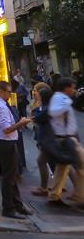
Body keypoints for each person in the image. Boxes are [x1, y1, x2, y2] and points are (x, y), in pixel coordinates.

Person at [0, 81, 33, 219]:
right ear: (1, 91)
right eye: (8, 91)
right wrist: (22, 123)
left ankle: (17, 206)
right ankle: (8, 208)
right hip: (5, 143)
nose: (10, 94)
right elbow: (7, 129)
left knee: (10, 176)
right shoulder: (0, 107)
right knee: (8, 178)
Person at [47, 77, 84, 208]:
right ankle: (80, 196)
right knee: (81, 166)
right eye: (72, 87)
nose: (74, 90)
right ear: (66, 88)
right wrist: (68, 102)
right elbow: (53, 112)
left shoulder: (60, 98)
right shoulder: (60, 98)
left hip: (68, 138)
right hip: (66, 139)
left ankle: (55, 196)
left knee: (62, 168)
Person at [31, 84, 53, 197]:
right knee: (62, 164)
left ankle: (44, 188)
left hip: (48, 139)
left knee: (41, 161)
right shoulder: (46, 107)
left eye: (37, 93)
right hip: (47, 139)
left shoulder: (46, 108)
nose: (35, 94)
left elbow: (36, 117)